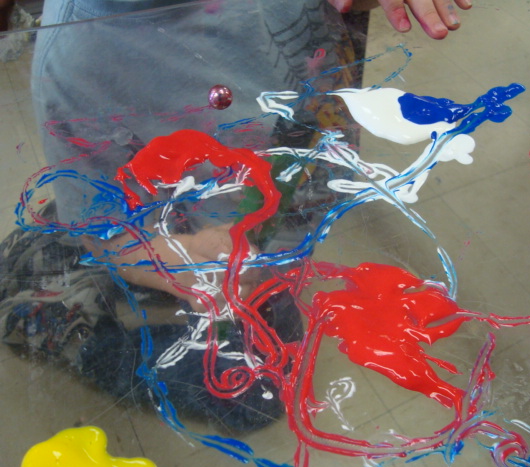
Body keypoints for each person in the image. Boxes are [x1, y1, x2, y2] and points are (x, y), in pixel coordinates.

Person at [1, 0, 472, 432]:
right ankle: (79, 338)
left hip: (286, 193)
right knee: (252, 399)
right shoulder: (77, 60)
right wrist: (182, 259)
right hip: (207, 244)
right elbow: (103, 230)